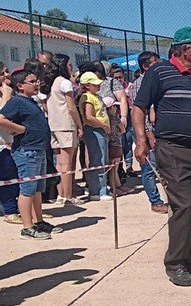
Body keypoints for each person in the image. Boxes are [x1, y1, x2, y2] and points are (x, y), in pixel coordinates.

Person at [133, 26, 191, 287]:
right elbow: (139, 107)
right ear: (184, 49)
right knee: (184, 205)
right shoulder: (160, 72)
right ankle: (175, 263)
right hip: (172, 148)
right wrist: (141, 141)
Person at [0, 69, 63, 239]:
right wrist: (20, 129)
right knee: (27, 189)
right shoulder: (17, 102)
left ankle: (38, 222)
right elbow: (1, 118)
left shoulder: (31, 101)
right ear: (20, 86)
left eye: (37, 81)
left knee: (37, 189)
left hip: (38, 150)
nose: (37, 84)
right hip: (27, 151)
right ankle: (27, 227)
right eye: (32, 81)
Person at [127, 51, 167, 214]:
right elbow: (140, 113)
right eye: (155, 63)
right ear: (145, 66)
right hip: (146, 133)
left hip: (159, 130)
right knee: (149, 167)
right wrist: (147, 135)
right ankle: (155, 201)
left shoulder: (158, 80)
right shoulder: (139, 85)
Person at [41, 54, 83, 205]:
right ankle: (68, 196)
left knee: (60, 162)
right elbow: (71, 107)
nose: (71, 67)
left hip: (53, 124)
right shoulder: (65, 82)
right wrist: (79, 125)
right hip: (66, 125)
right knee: (67, 163)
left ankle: (61, 195)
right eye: (69, 64)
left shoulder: (50, 82)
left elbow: (45, 105)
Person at [78, 72, 112, 201]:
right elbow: (88, 116)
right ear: (87, 85)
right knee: (98, 160)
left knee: (103, 159)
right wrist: (103, 125)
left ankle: (102, 187)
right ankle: (96, 191)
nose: (98, 86)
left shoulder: (95, 96)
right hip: (93, 130)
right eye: (94, 84)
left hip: (100, 130)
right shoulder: (87, 97)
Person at [0, 62, 22, 225]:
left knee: (12, 177)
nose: (7, 75)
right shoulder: (6, 95)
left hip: (10, 141)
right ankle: (10, 211)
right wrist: (7, 95)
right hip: (1, 145)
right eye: (3, 72)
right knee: (6, 177)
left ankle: (14, 208)